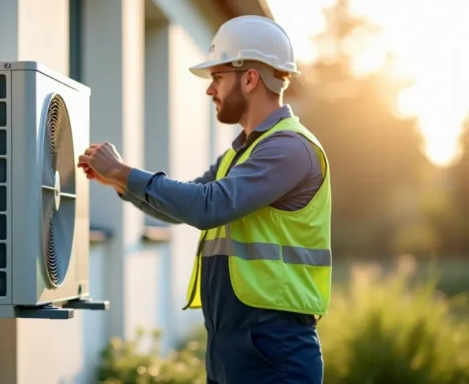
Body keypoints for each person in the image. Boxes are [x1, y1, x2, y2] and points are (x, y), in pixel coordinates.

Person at [77, 15, 331, 384]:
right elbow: (184, 205)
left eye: (217, 77)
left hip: (274, 352)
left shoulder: (289, 148)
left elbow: (207, 206)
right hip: (232, 348)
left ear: (250, 78)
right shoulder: (241, 154)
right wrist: (120, 184)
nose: (210, 90)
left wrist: (124, 171)